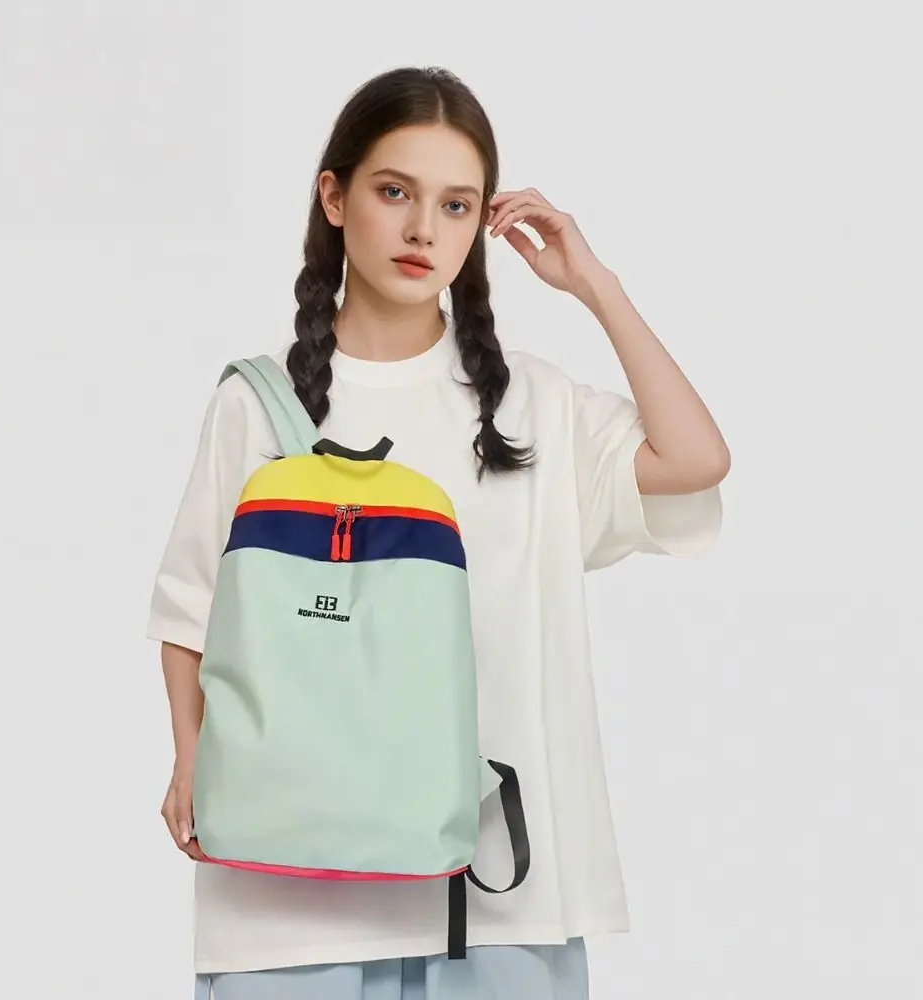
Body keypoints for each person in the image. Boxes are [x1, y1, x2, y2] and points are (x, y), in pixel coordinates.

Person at [146, 65, 729, 1000]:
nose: (424, 229)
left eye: (456, 205)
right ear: (334, 197)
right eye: (394, 192)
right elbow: (190, 609)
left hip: (497, 894)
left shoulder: (531, 404)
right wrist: (190, 761)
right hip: (287, 892)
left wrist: (595, 284)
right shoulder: (259, 402)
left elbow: (696, 460)